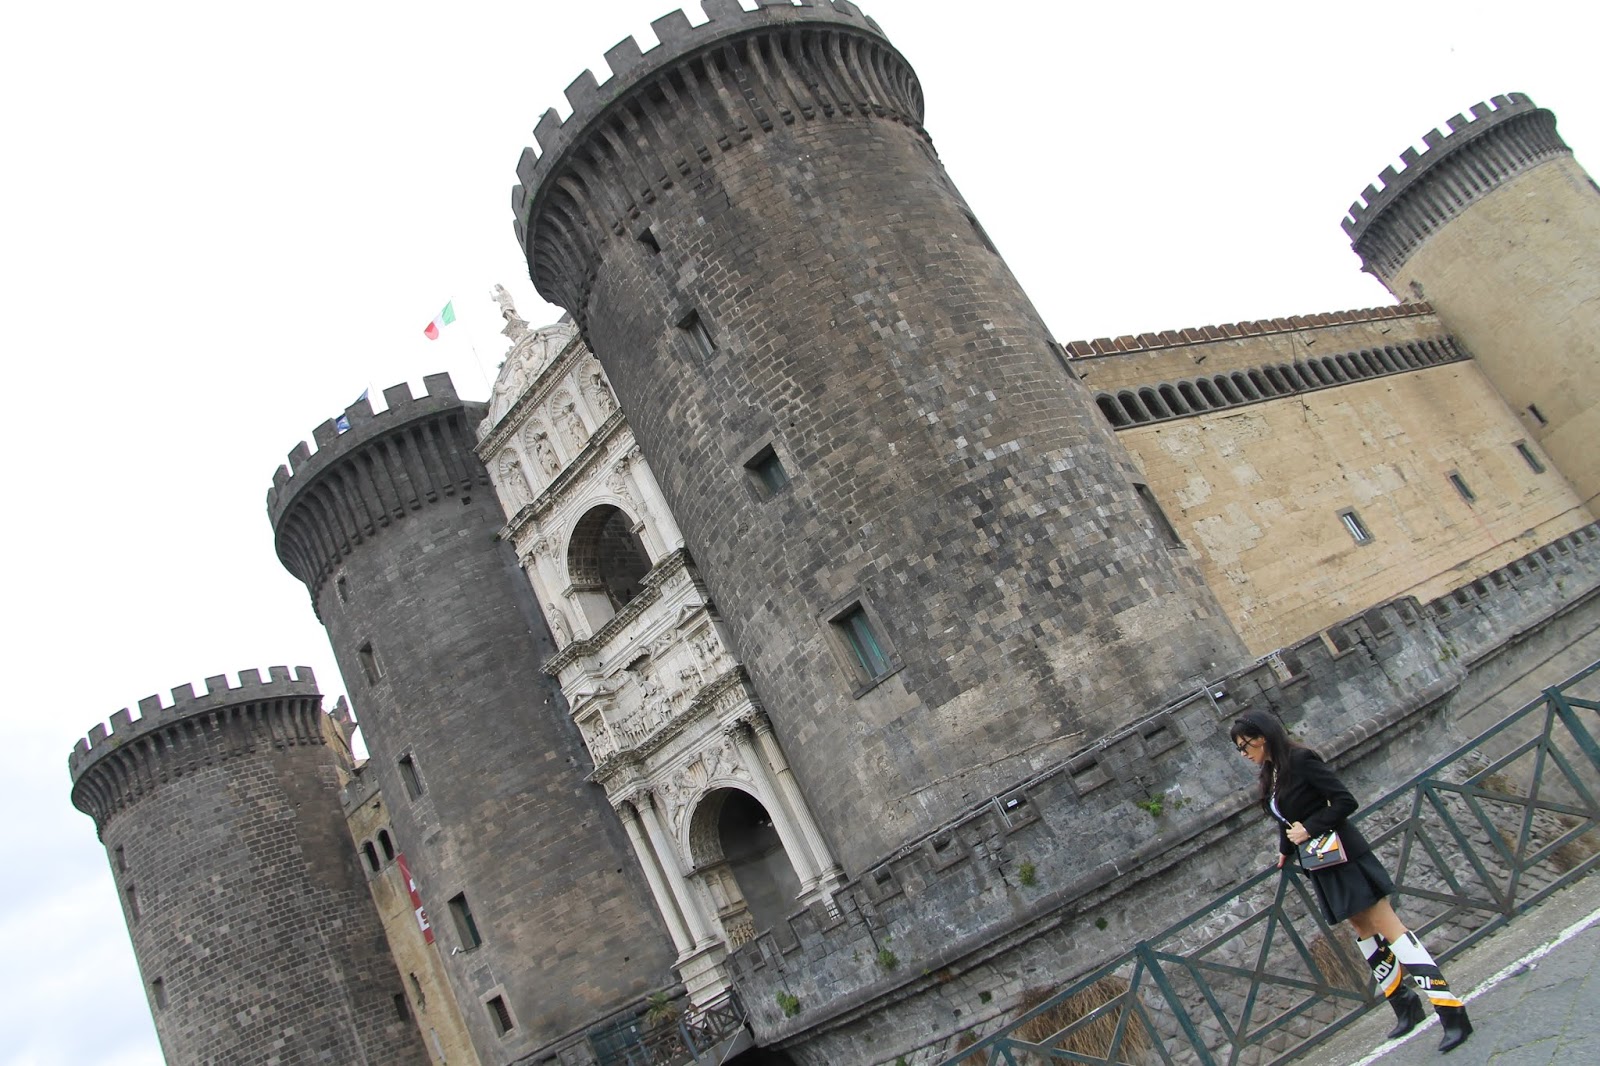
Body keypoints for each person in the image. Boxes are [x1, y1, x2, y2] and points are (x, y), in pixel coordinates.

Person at [1229, 710, 1472, 1054]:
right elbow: (1286, 819)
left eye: (1244, 745)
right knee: (1362, 929)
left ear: (1263, 736)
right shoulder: (1271, 773)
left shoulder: (1300, 760)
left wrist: (1310, 829)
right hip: (1321, 862)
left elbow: (1344, 800)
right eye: (1239, 749)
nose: (1243, 754)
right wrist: (1285, 849)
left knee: (1390, 927)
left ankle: (1450, 1009)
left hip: (1343, 853)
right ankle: (1404, 1004)